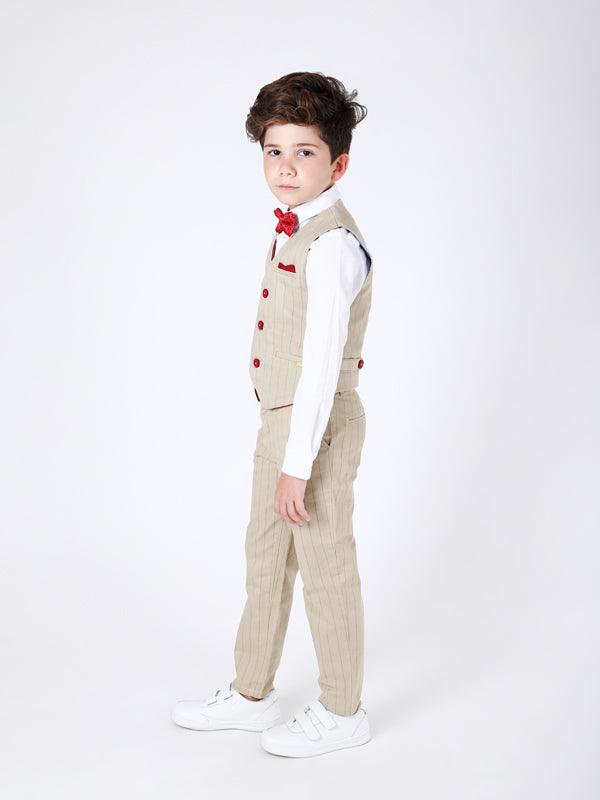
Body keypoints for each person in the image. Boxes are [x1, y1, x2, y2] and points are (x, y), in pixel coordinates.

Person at [171, 71, 374, 758]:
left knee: (325, 562)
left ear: (338, 164)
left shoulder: (332, 245)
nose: (285, 167)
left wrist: (297, 466)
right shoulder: (295, 229)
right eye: (273, 151)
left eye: (305, 152)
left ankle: (343, 710)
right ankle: (251, 692)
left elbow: (320, 367)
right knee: (265, 555)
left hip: (316, 428)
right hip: (281, 423)